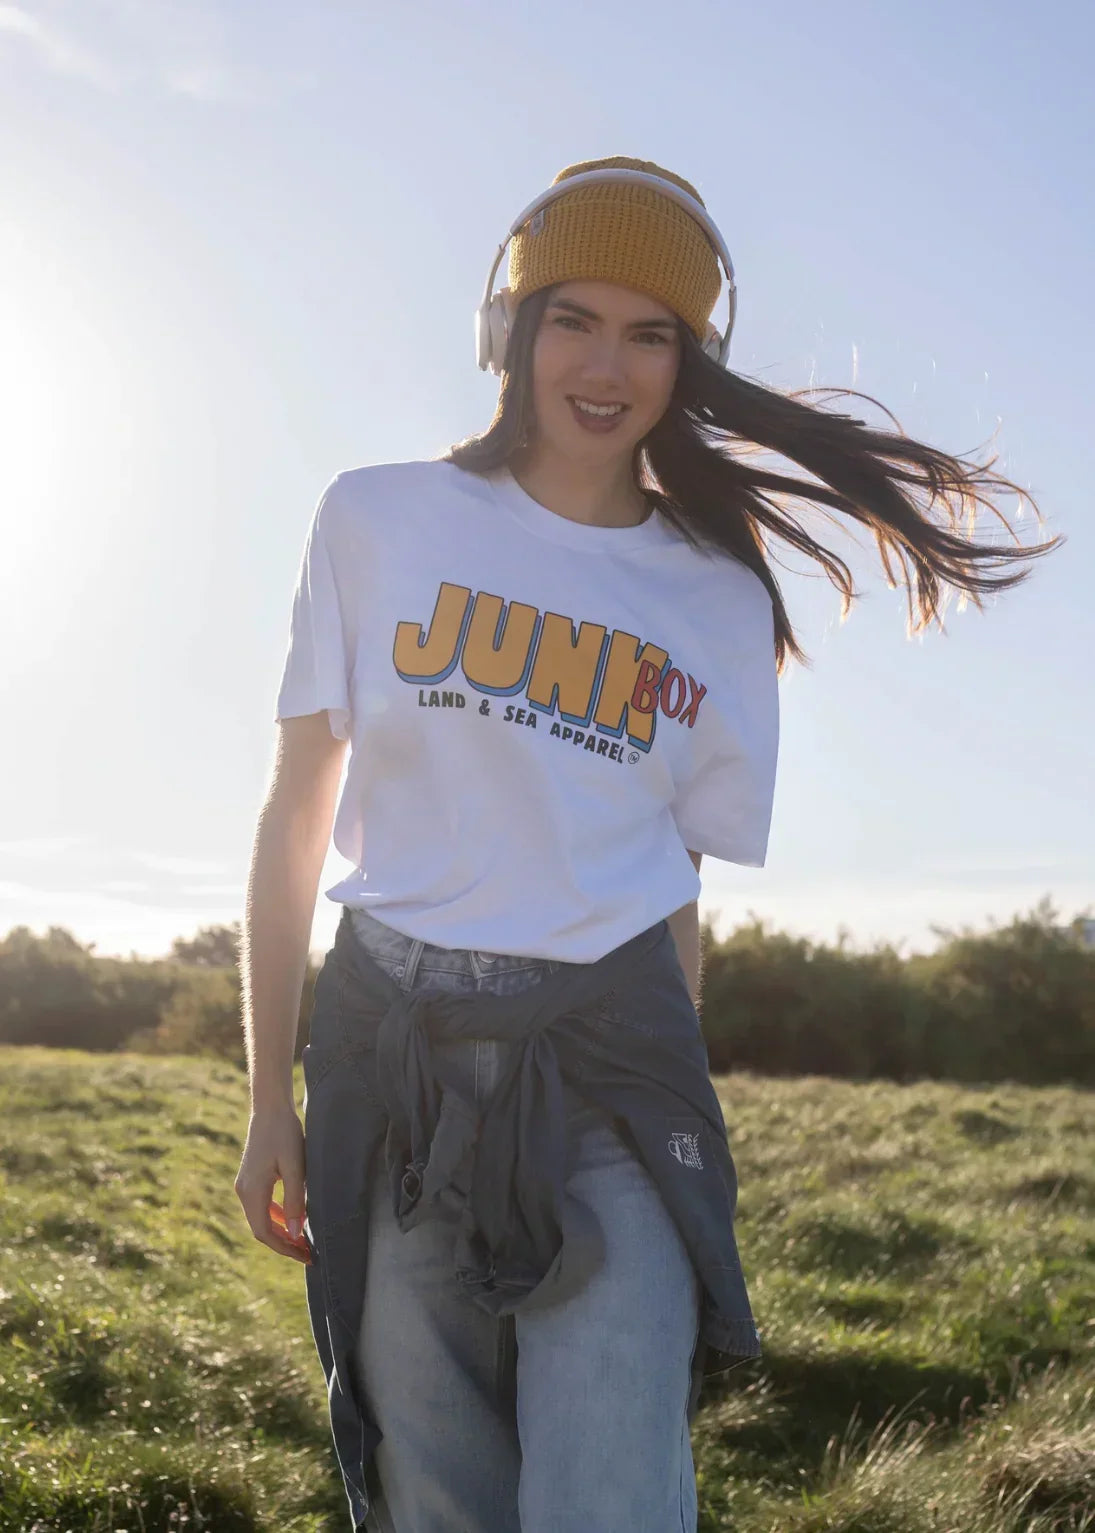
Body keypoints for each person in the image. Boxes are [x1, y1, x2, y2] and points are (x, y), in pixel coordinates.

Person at [234, 156, 1060, 1533]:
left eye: (651, 331)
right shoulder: (377, 518)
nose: (606, 364)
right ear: (511, 329)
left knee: (607, 1497)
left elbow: (673, 883)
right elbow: (293, 814)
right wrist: (271, 1092)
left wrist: (681, 1082)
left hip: (612, 1069)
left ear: (690, 359)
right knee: (438, 1495)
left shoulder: (719, 594)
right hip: (394, 1058)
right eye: (575, 317)